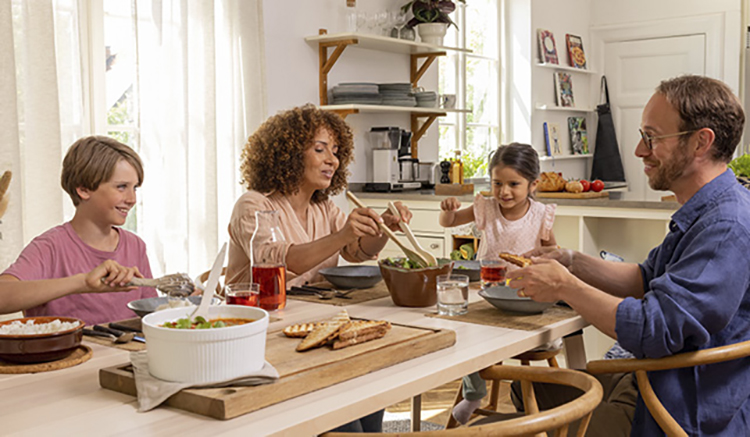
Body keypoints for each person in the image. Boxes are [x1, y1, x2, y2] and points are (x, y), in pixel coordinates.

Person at [508, 75, 750, 436]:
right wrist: (572, 261)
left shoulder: (726, 227)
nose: (639, 150)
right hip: (652, 380)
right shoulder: (709, 208)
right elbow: (644, 278)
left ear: (701, 142)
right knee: (525, 386)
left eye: (651, 137)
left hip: (672, 408)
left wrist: (567, 287)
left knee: (525, 402)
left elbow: (654, 328)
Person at [226, 104, 411, 433]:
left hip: (314, 326)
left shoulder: (323, 208)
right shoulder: (255, 204)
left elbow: (356, 252)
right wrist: (343, 234)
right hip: (262, 334)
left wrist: (382, 229)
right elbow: (279, 261)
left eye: (336, 151)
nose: (332, 159)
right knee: (347, 422)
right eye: (320, 148)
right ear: (289, 153)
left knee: (373, 391)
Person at [439, 143, 558, 424]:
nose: (504, 191)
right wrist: (447, 210)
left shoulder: (541, 214)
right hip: (489, 293)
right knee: (465, 332)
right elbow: (450, 221)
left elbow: (554, 253)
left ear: (532, 184)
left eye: (513, 184)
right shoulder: (487, 208)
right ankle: (474, 393)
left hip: (523, 296)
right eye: (497, 183)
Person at [0, 136, 156, 326]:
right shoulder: (50, 246)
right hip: (70, 355)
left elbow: (151, 314)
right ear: (83, 189)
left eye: (135, 188)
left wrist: (188, 304)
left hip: (125, 355)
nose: (132, 199)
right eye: (121, 187)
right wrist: (82, 283)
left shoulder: (135, 246)